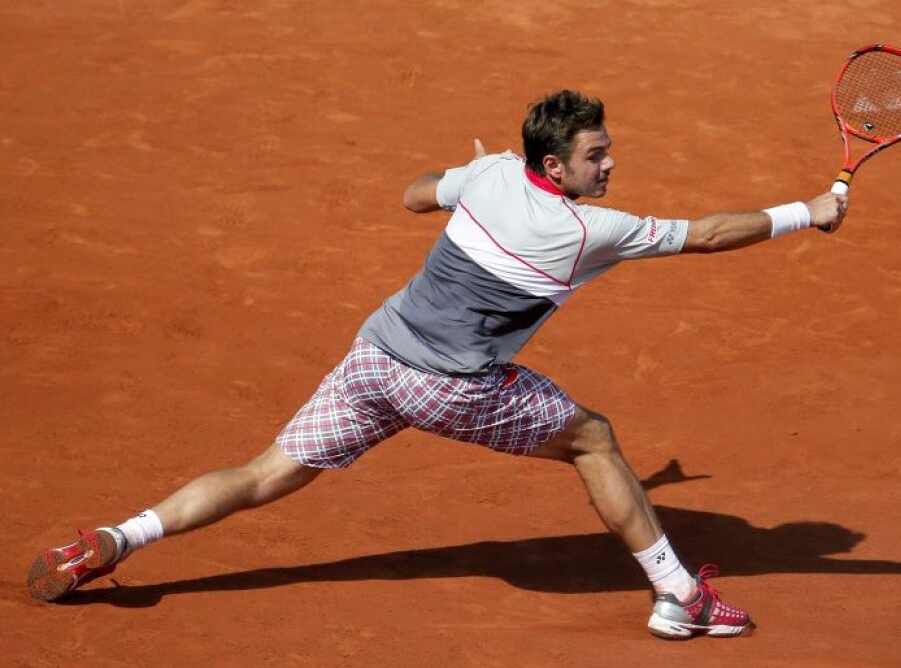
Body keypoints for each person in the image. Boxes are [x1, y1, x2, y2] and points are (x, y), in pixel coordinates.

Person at [27, 89, 847, 639]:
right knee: (593, 438)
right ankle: (680, 596)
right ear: (555, 167)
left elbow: (414, 193)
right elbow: (706, 234)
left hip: (375, 356)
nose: (610, 165)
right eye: (597, 155)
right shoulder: (591, 231)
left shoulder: (492, 174)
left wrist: (470, 179)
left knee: (262, 472)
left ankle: (117, 537)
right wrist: (807, 212)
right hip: (453, 386)